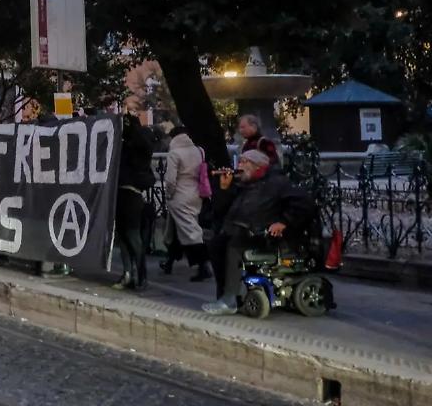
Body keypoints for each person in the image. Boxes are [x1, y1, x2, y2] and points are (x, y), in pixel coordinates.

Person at [202, 150, 314, 315]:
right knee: (216, 244)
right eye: (239, 161)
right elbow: (221, 211)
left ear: (257, 166)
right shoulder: (244, 184)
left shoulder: (277, 183)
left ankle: (229, 299)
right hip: (243, 231)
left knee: (235, 245)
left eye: (243, 162)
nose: (238, 166)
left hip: (265, 235)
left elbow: (305, 203)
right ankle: (226, 295)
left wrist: (284, 222)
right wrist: (224, 188)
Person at [159, 126, 212, 281]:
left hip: (179, 196)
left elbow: (170, 180)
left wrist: (169, 195)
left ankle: (203, 266)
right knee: (175, 230)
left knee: (190, 232)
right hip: (196, 194)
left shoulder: (175, 153)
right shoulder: (198, 151)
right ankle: (169, 262)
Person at [113, 114, 155, 291]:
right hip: (123, 194)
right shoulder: (127, 146)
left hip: (130, 195)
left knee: (131, 235)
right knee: (123, 235)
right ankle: (129, 273)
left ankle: (139, 275)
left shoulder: (138, 146)